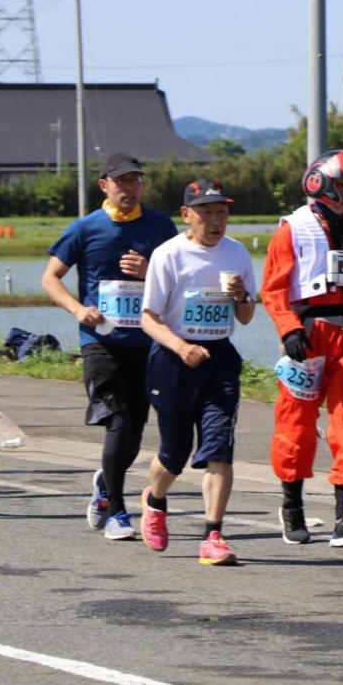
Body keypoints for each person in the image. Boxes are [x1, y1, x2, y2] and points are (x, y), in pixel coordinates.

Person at [41, 153, 177, 540]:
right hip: (101, 340)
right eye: (121, 181)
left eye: (135, 180)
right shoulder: (86, 228)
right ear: (105, 185)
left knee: (134, 429)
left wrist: (149, 271)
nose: (130, 188)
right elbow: (50, 278)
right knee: (118, 420)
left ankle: (106, 481)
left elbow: (178, 277)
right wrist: (77, 309)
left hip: (147, 341)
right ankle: (117, 511)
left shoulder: (160, 226)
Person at [262, 149, 343, 548]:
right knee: (296, 423)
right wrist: (289, 329)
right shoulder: (293, 229)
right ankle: (292, 506)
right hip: (309, 335)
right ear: (322, 183)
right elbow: (274, 288)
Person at [138, 179, 256, 565]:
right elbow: (149, 318)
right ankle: (155, 500)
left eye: (222, 212)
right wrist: (181, 347)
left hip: (220, 357)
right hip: (175, 357)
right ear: (186, 214)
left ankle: (213, 536)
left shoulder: (237, 253)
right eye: (206, 213)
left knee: (220, 447)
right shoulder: (168, 254)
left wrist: (241, 296)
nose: (216, 220)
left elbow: (246, 316)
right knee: (175, 452)